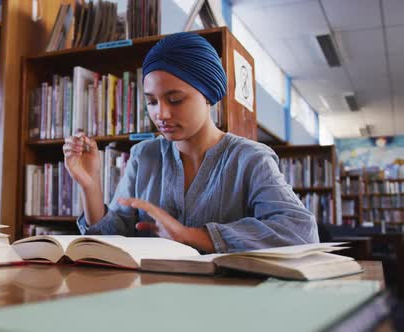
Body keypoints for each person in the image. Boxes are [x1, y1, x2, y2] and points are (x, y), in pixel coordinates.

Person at [62, 32, 319, 253]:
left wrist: (191, 235)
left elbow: (301, 231)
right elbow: (109, 242)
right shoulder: (143, 155)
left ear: (208, 96)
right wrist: (90, 186)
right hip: (149, 299)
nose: (160, 114)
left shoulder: (249, 158)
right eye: (151, 102)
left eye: (175, 100)